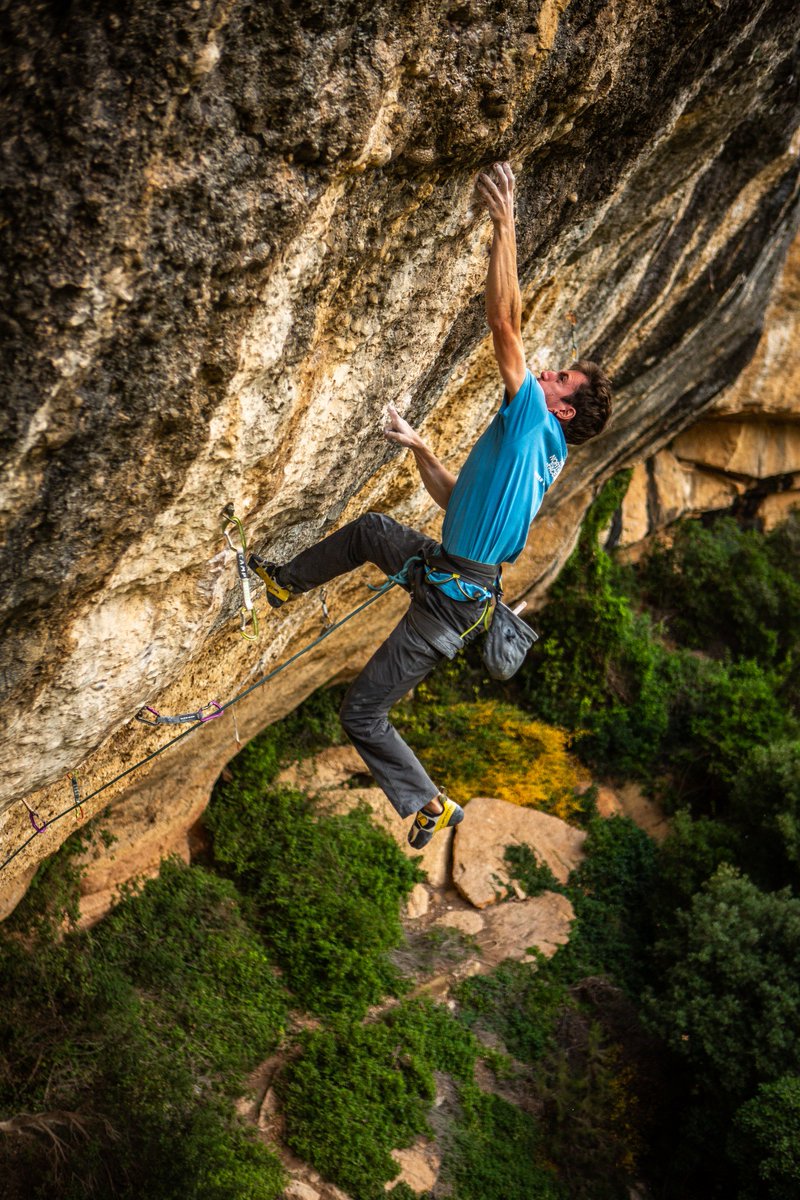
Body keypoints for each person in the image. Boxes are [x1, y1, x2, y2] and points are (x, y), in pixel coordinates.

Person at [249, 162, 612, 850]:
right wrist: (419, 446)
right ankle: (279, 583)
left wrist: (506, 225)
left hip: (449, 604)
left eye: (557, 375)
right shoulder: (542, 455)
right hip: (452, 570)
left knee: (362, 713)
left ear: (562, 404)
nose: (544, 370)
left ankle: (427, 804)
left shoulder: (536, 421)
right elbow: (457, 503)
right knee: (372, 532)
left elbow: (504, 323)